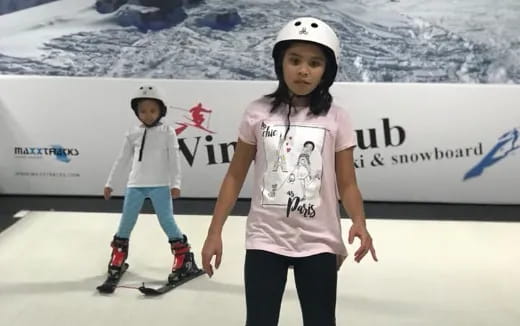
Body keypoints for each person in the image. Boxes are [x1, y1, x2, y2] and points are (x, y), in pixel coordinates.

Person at [201, 17, 378, 325]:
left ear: (327, 70)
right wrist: (214, 232)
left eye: (315, 63)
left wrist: (359, 222)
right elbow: (235, 175)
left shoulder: (337, 118)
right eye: (294, 60)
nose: (303, 70)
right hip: (265, 237)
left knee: (321, 320)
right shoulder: (258, 112)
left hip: (319, 240)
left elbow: (347, 183)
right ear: (280, 62)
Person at [103, 85, 200, 283]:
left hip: (160, 185)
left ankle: (184, 258)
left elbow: (174, 160)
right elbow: (121, 159)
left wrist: (176, 183)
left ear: (161, 111)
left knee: (166, 221)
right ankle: (119, 255)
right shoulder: (132, 133)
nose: (147, 115)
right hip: (135, 185)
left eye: (152, 110)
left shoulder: (167, 132)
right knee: (126, 221)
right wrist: (110, 183)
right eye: (143, 111)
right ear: (137, 112)